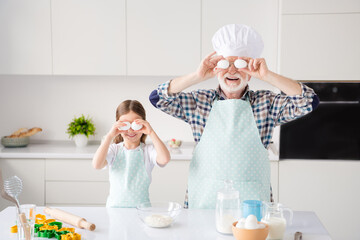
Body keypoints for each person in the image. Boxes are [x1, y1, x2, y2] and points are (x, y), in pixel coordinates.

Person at [149, 24, 319, 209]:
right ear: (216, 69)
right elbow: (158, 98)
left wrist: (267, 75)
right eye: (225, 64)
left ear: (250, 72)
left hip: (252, 204)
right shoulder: (199, 102)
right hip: (205, 200)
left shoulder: (266, 104)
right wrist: (197, 76)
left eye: (240, 65)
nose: (231, 71)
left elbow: (309, 101)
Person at [92, 100, 171, 207]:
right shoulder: (114, 150)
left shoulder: (148, 151)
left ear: (143, 124)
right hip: (114, 210)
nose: (130, 130)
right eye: (125, 124)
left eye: (135, 124)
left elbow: (164, 159)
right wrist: (110, 136)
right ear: (118, 125)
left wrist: (151, 132)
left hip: (142, 211)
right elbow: (97, 165)